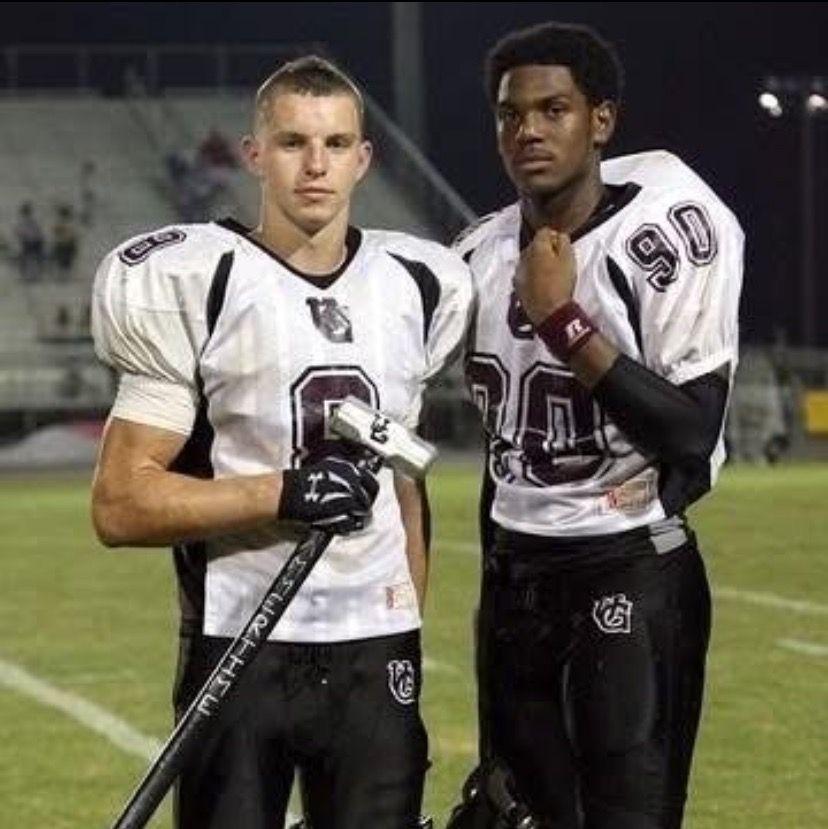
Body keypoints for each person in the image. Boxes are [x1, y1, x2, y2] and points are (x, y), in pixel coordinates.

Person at [90, 56, 472, 829]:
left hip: (374, 653)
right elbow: (121, 505)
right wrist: (282, 492)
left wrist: (401, 624)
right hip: (241, 641)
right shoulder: (200, 280)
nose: (316, 164)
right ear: (254, 154)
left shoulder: (418, 282)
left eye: (337, 143)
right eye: (294, 142)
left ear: (364, 158)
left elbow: (406, 484)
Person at [452, 22, 743, 829]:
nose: (529, 131)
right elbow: (504, 465)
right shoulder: (474, 258)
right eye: (511, 114)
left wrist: (564, 323)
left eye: (554, 110)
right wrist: (493, 612)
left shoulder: (662, 229)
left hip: (629, 565)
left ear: (601, 121)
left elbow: (692, 432)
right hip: (518, 579)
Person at [14, 201, 45, 282]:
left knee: (25, 259)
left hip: (30, 244)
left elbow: (19, 233)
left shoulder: (23, 222)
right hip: (35, 244)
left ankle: (27, 275)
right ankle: (33, 275)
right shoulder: (33, 221)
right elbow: (39, 234)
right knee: (31, 259)